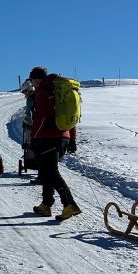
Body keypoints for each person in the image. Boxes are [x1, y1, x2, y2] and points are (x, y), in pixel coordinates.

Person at [28, 66, 81, 220]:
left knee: (51, 172)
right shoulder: (58, 90)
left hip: (48, 137)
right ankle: (46, 204)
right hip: (62, 136)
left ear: (37, 79)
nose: (32, 83)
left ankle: (69, 204)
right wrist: (72, 139)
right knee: (46, 171)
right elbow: (70, 117)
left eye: (32, 80)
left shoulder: (43, 91)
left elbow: (41, 117)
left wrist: (34, 138)